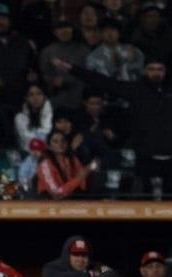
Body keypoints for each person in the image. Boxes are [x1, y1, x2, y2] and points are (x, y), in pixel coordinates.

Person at [52, 56, 172, 197]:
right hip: (145, 157)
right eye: (151, 69)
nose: (156, 73)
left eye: (160, 69)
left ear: (166, 71)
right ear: (144, 71)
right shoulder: (136, 90)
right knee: (146, 200)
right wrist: (72, 69)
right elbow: (105, 82)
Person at [37, 130, 97, 200]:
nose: (60, 144)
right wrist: (80, 178)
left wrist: (89, 171)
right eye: (55, 141)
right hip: (49, 203)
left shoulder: (74, 160)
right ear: (49, 146)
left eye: (63, 141)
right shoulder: (45, 165)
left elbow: (82, 186)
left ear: (67, 143)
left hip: (71, 199)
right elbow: (56, 193)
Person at [14, 84, 53, 153]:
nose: (35, 98)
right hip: (28, 154)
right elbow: (28, 141)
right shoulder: (19, 118)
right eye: (31, 95)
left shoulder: (51, 114)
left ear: (44, 96)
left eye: (39, 94)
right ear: (26, 98)